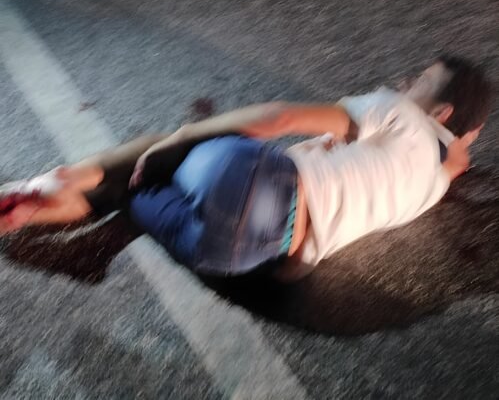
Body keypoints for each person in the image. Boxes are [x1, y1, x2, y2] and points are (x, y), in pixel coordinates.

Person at [0, 55, 493, 281]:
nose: (405, 82)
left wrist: (181, 137)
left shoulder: (400, 113)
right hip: (245, 255)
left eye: (421, 79)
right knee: (136, 196)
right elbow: (455, 158)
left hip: (255, 180)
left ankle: (44, 189)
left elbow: (279, 118)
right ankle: (57, 223)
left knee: (146, 158)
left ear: (440, 111)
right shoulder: (432, 186)